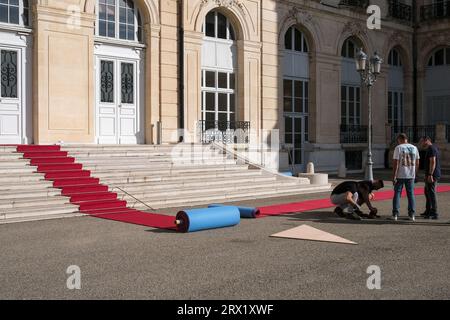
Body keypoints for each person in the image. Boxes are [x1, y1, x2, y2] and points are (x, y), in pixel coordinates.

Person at [392, 133, 420, 221]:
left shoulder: (398, 148)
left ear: (400, 139)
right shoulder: (414, 148)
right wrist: (415, 173)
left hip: (400, 174)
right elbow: (417, 162)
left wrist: (394, 176)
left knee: (397, 194)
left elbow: (396, 163)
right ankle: (412, 215)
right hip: (411, 175)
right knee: (411, 194)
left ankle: (395, 214)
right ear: (406, 139)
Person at [419, 136, 441, 220]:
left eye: (422, 142)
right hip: (430, 174)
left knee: (431, 193)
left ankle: (434, 212)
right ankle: (428, 210)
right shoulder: (432, 148)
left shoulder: (431, 148)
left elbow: (433, 161)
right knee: (427, 192)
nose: (421, 143)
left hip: (432, 175)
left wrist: (430, 174)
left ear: (426, 140)